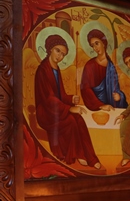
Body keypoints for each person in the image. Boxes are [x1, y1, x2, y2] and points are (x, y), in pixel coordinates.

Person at [34, 34, 101, 169]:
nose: (60, 56)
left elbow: (60, 95)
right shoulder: (43, 70)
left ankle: (91, 158)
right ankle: (77, 154)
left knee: (79, 119)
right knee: (70, 121)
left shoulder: (56, 69)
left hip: (56, 109)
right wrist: (69, 108)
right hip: (46, 112)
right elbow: (49, 99)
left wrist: (70, 99)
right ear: (50, 49)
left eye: (63, 54)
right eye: (58, 51)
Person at [80, 28, 128, 111]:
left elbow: (116, 88)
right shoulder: (90, 65)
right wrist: (100, 105)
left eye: (97, 43)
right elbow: (85, 89)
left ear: (103, 43)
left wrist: (119, 96)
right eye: (92, 45)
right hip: (95, 107)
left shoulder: (111, 66)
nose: (95, 48)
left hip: (110, 107)